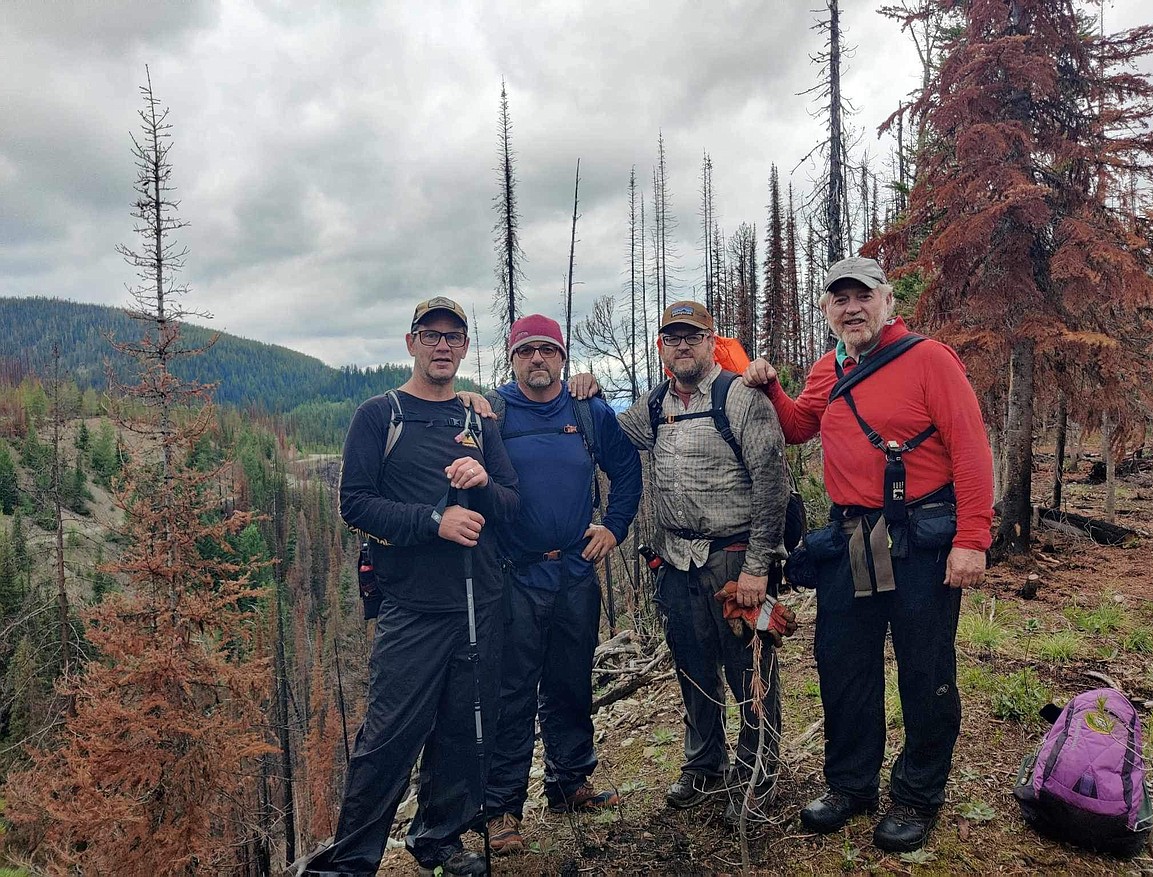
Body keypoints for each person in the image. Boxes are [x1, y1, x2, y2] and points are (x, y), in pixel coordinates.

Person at [742, 256, 993, 852]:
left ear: (887, 301)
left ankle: (916, 795)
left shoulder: (930, 360)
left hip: (921, 539)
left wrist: (972, 540)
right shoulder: (828, 368)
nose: (851, 308)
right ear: (827, 310)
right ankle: (851, 786)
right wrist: (771, 387)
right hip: (854, 538)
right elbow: (802, 425)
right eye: (839, 299)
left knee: (925, 669)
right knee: (844, 663)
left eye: (862, 296)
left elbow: (972, 448)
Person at [302, 296, 520, 877]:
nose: (442, 345)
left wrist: (482, 485)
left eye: (454, 336)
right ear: (411, 343)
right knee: (389, 736)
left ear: (466, 348)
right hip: (412, 607)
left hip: (480, 601)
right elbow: (355, 504)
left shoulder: (479, 421)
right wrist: (434, 521)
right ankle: (348, 863)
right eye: (431, 335)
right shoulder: (381, 415)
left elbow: (511, 504)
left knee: (461, 726)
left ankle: (438, 840)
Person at [474, 314, 643, 855]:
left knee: (570, 680)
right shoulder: (493, 413)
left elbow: (627, 470)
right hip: (515, 575)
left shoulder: (588, 411)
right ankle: (502, 808)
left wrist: (614, 528)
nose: (538, 360)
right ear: (512, 358)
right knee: (512, 691)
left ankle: (569, 781)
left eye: (547, 350)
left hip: (574, 570)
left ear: (562, 358)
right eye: (527, 352)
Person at [615, 301, 789, 824]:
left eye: (692, 336)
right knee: (692, 667)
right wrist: (582, 392)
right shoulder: (653, 406)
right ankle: (703, 763)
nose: (682, 344)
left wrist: (758, 567)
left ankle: (760, 769)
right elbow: (607, 437)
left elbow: (772, 485)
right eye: (672, 337)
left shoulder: (740, 397)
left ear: (712, 341)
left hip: (734, 559)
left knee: (750, 669)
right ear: (662, 347)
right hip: (674, 560)